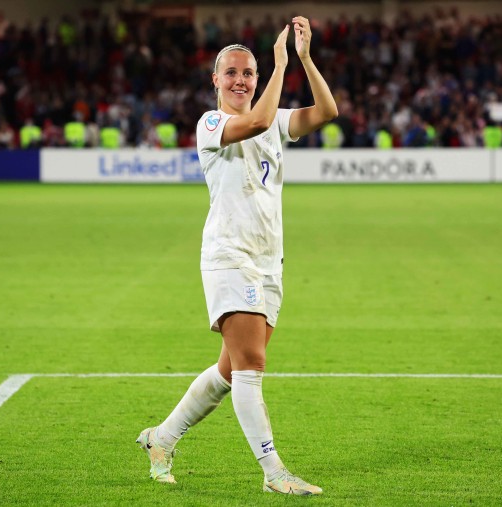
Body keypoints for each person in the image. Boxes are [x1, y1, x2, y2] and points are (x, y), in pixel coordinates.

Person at [136, 16, 337, 496]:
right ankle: (274, 474)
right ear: (216, 81)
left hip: (270, 261)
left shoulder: (273, 120)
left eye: (248, 72)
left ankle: (161, 438)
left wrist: (306, 60)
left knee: (230, 370)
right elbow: (260, 120)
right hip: (230, 257)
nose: (242, 80)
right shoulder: (213, 123)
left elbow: (327, 111)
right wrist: (280, 63)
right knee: (251, 368)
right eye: (232, 72)